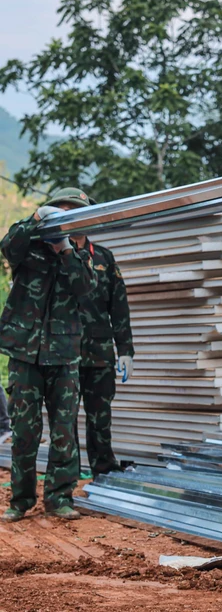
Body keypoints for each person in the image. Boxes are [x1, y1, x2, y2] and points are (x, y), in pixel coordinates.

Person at [0, 187, 96, 522]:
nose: (66, 219)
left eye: (74, 213)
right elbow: (8, 246)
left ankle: (59, 498)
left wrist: (66, 250)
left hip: (64, 354)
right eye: (61, 211)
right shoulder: (30, 247)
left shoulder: (83, 256)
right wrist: (36, 218)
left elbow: (86, 292)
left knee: (63, 431)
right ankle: (21, 500)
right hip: (25, 353)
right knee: (25, 432)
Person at [72, 220, 133, 477]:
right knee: (64, 419)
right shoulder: (53, 256)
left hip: (99, 352)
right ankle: (67, 474)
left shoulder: (104, 258)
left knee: (100, 415)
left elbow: (119, 307)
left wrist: (126, 350)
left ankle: (104, 469)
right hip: (64, 352)